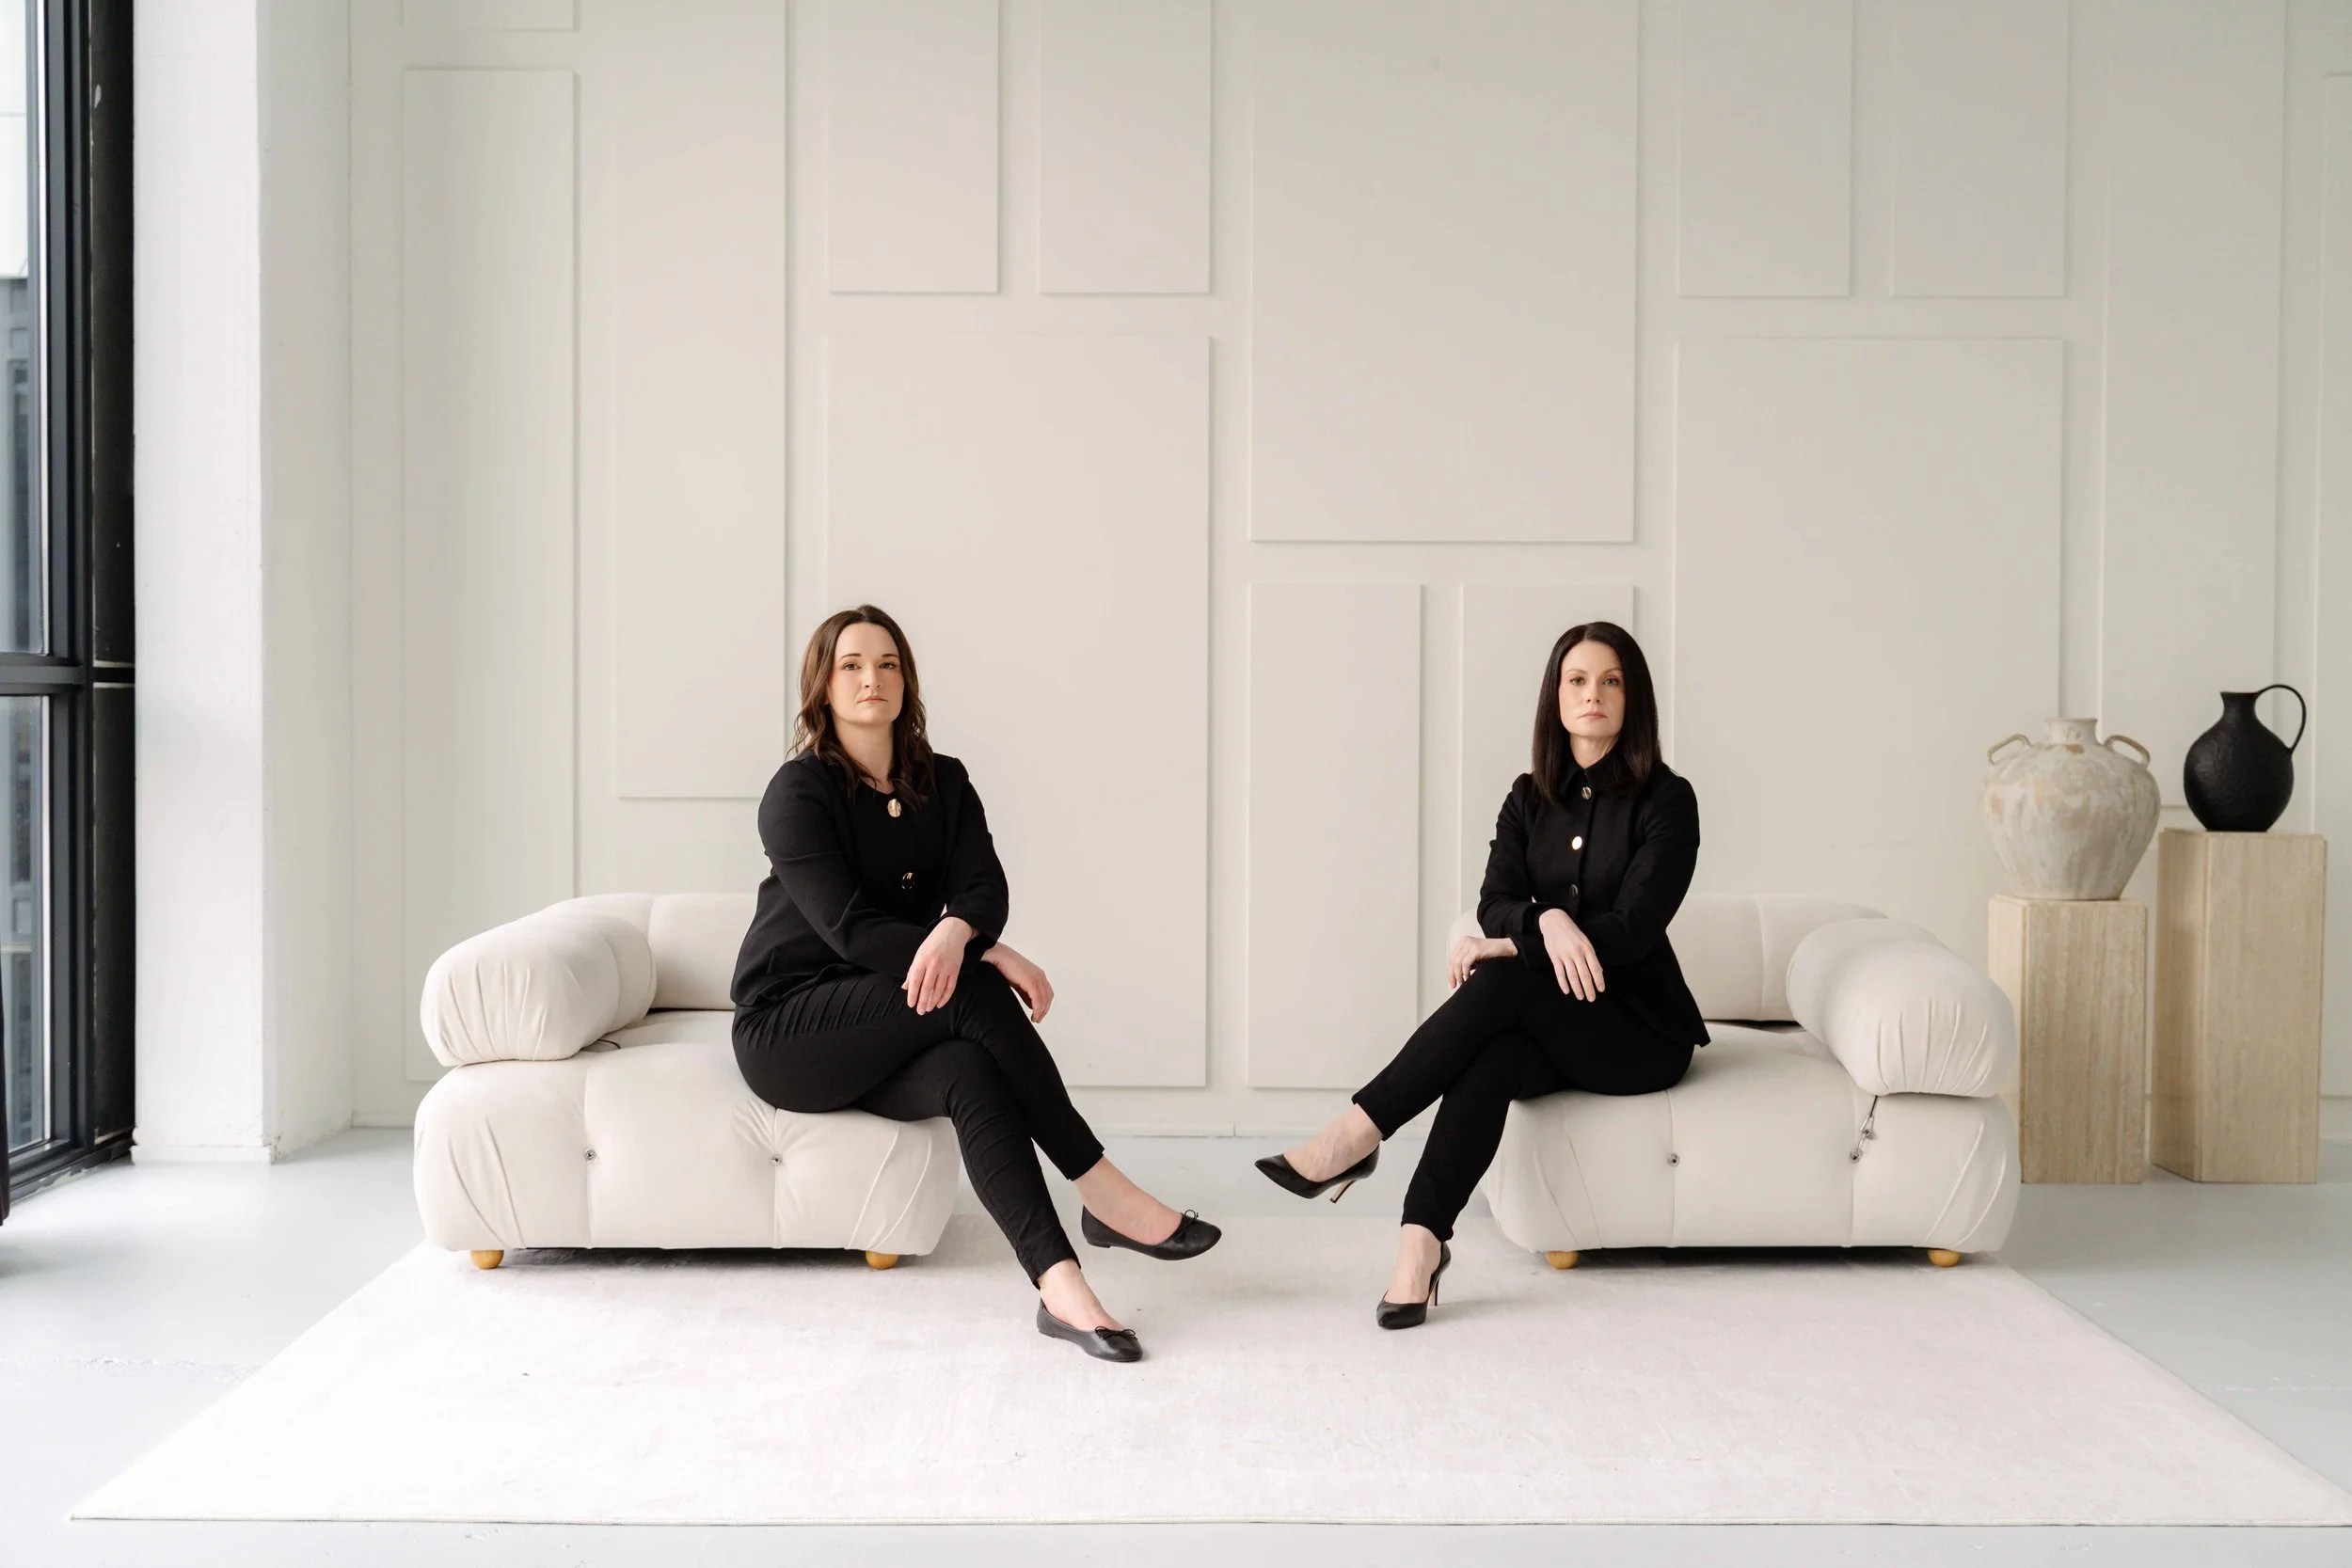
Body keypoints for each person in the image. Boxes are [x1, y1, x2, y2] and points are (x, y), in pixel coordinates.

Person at [732, 605, 1218, 1363]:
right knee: (972, 990)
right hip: (793, 1026)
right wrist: (982, 957)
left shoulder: (945, 782)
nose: (872, 678)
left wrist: (964, 932)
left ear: (907, 678)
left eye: (888, 662)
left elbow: (983, 889)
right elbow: (850, 928)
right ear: (823, 686)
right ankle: (1102, 1188)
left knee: (968, 1069)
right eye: (852, 664)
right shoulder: (798, 794)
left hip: (900, 1017)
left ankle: (1061, 1288)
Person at [1256, 620, 1707, 1327]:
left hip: (1636, 1032)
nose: (1594, 695)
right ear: (1555, 698)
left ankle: (1356, 1134)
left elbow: (1631, 932)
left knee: (1498, 983)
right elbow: (1496, 901)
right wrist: (1545, 922)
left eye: (1611, 681)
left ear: (1633, 697)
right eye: (1578, 680)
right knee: (1494, 1055)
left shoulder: (1667, 800)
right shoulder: (1530, 798)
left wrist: (1518, 939)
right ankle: (1420, 1246)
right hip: (1553, 1024)